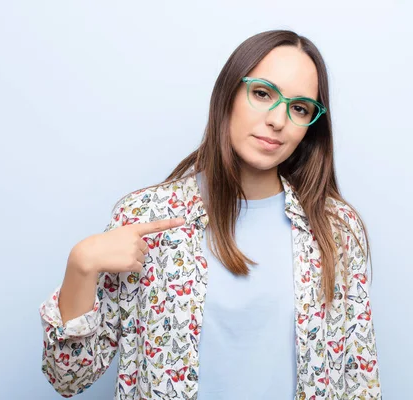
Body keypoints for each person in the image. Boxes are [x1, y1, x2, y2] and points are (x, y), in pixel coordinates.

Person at [39, 29, 381, 400]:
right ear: (228, 95)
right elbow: (68, 379)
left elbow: (358, 383)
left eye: (299, 108)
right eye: (263, 93)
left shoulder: (336, 230)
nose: (278, 120)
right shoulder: (147, 217)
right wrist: (81, 264)